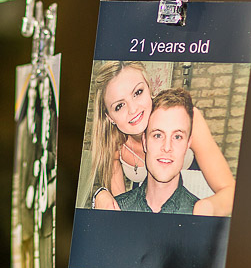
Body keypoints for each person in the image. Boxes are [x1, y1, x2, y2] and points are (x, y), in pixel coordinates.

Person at [83, 61, 234, 215]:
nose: (133, 109)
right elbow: (121, 210)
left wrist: (206, 208)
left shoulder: (187, 119)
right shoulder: (114, 144)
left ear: (150, 89)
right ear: (110, 118)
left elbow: (231, 193)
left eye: (138, 92)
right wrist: (100, 195)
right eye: (119, 106)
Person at [109, 88, 199, 214]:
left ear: (187, 144)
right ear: (145, 143)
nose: (167, 147)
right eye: (158, 135)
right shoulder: (117, 209)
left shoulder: (200, 215)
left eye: (177, 137)